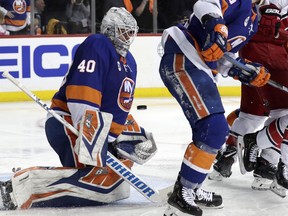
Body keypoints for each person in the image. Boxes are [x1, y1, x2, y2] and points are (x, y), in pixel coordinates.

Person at [0, 7, 157, 210]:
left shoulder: (130, 62)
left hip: (97, 129)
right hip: (69, 123)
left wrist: (129, 137)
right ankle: (23, 186)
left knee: (116, 185)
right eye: (123, 30)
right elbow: (82, 91)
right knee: (98, 186)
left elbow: (118, 107)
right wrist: (92, 137)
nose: (128, 36)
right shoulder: (98, 44)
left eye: (130, 31)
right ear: (110, 29)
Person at [159, 0, 271, 215]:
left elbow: (222, 57)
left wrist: (245, 71)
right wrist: (216, 25)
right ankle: (182, 194)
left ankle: (192, 186)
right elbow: (205, 3)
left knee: (212, 131)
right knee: (214, 127)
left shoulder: (253, 20)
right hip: (184, 53)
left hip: (201, 65)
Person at [209, 0, 288, 191]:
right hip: (276, 62)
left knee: (251, 114)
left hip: (252, 59)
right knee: (281, 114)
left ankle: (226, 158)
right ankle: (266, 166)